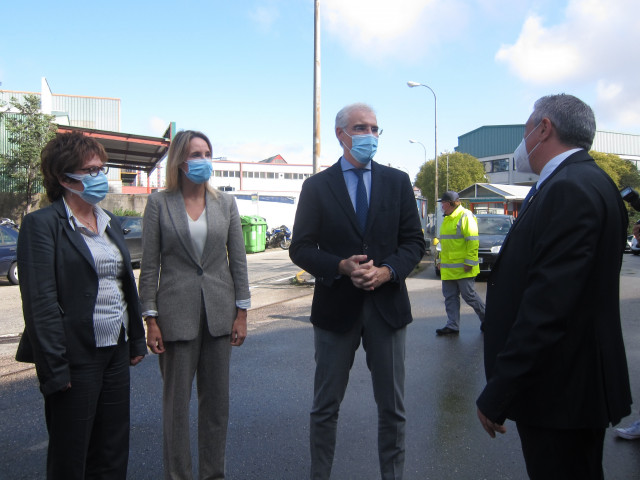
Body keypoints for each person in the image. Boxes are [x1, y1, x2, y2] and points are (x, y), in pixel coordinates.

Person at [476, 94, 632, 479]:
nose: (522, 140)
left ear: (544, 128)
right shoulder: (582, 181)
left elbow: (548, 306)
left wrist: (499, 390)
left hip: (560, 390)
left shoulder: (569, 188)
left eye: (527, 127)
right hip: (567, 387)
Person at [289, 103, 425, 480]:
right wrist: (340, 266)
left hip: (387, 307)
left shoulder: (398, 182)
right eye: (361, 128)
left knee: (393, 409)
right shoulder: (317, 186)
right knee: (325, 407)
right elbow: (300, 247)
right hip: (336, 309)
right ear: (342, 134)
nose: (370, 136)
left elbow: (414, 242)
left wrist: (387, 271)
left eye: (375, 129)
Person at [15, 132, 147, 479]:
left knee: (113, 449)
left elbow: (124, 284)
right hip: (74, 358)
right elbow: (40, 304)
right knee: (72, 455)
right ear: (63, 178)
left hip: (114, 351)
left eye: (101, 168)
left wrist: (135, 338)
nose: (99, 177)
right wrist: (55, 368)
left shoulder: (109, 222)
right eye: (90, 171)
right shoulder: (41, 225)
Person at [139, 130, 250, 480]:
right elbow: (150, 264)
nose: (202, 160)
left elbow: (239, 261)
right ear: (179, 161)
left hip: (220, 314)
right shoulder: (159, 203)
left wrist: (242, 312)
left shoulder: (226, 204)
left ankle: (212, 475)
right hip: (175, 317)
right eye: (194, 154)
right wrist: (150, 318)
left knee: (216, 406)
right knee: (176, 409)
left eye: (207, 153)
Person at [435, 190, 485, 336]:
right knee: (450, 297)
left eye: (443, 203)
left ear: (450, 203)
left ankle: (487, 319)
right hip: (449, 268)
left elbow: (473, 241)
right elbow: (443, 244)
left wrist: (469, 262)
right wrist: (439, 261)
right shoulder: (447, 218)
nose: (441, 206)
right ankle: (452, 325)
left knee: (469, 296)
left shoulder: (465, 216)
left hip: (463, 267)